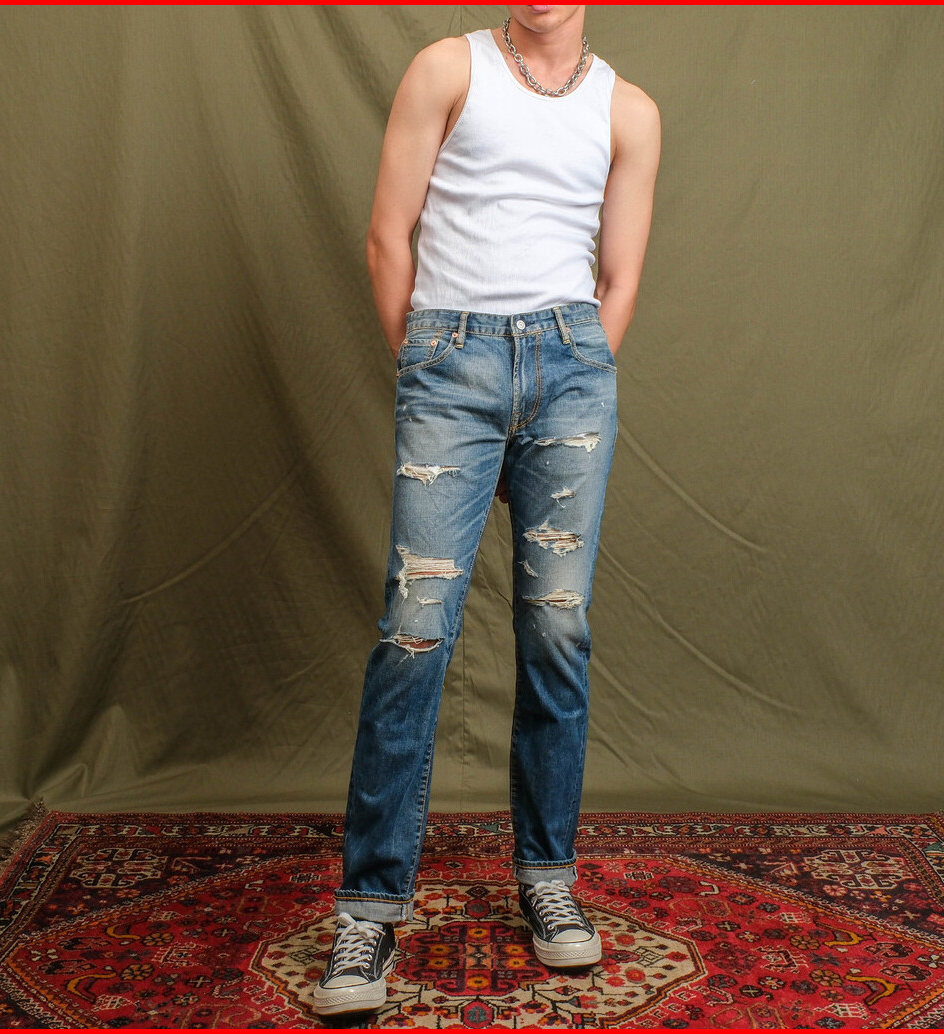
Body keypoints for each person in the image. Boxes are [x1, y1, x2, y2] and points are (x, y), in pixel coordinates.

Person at [313, 4, 661, 1017]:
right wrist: (431, 368)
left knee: (557, 627)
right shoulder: (446, 69)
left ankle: (547, 876)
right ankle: (370, 908)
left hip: (570, 370)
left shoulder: (629, 111)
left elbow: (620, 275)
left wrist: (575, 377)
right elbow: (388, 236)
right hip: (450, 360)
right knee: (413, 630)